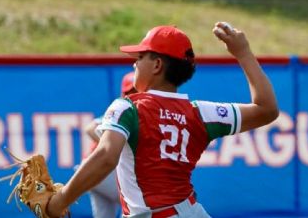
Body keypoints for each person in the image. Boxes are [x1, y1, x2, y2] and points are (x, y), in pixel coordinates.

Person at [47, 22, 279, 218]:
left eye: (140, 57)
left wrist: (59, 201)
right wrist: (244, 52)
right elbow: (267, 109)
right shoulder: (201, 113)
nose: (134, 63)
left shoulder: (128, 107)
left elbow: (106, 157)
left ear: (157, 65)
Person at [84, 71, 136, 218]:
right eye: (129, 91)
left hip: (94, 172)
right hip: (100, 169)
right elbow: (90, 128)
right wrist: (112, 145)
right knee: (135, 202)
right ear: (123, 93)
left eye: (136, 90)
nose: (132, 94)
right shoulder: (124, 111)